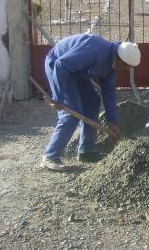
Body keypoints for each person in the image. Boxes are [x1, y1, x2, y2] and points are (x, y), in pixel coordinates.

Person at [40, 34, 141, 171]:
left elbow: (109, 92)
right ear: (120, 60)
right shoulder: (95, 51)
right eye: (126, 67)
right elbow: (61, 65)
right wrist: (58, 98)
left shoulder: (113, 65)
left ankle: (86, 151)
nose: (126, 71)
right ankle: (50, 156)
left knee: (92, 102)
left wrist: (112, 121)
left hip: (77, 72)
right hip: (58, 66)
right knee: (71, 113)